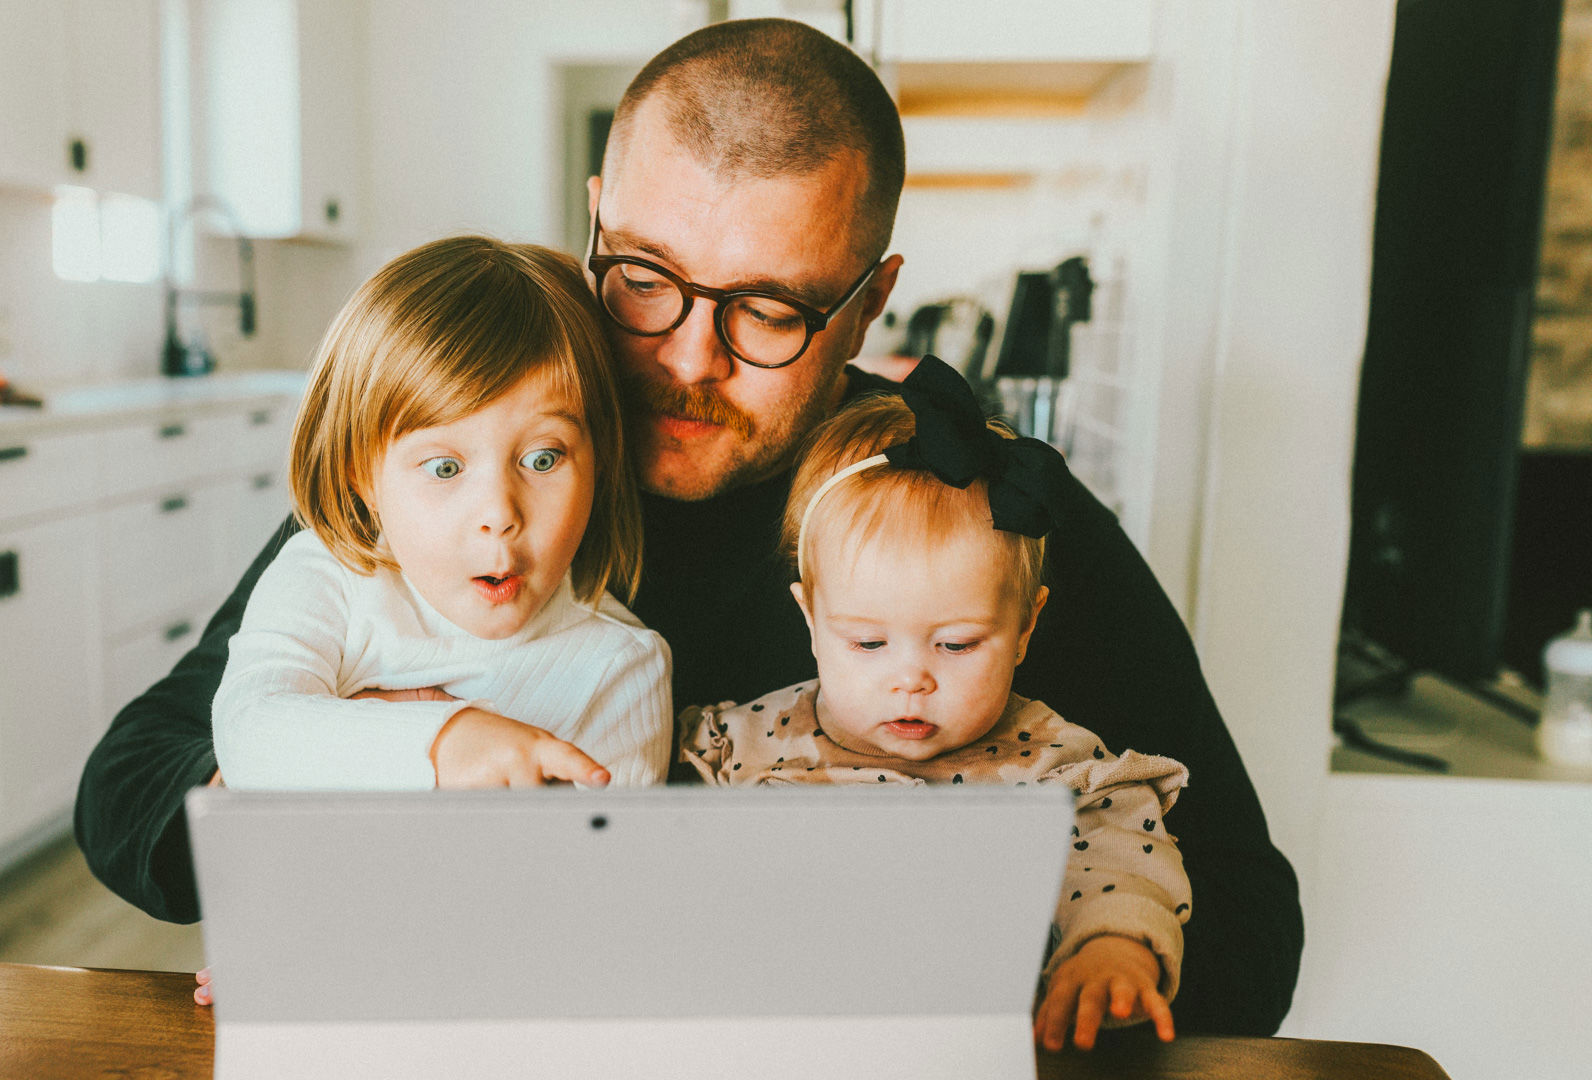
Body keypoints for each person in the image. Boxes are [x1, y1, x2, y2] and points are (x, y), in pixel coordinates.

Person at [77, 17, 1302, 1035]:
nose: (683, 362)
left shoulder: (967, 506)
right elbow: (132, 790)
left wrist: (1035, 968)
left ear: (871, 300)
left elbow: (1247, 910)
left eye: (768, 308)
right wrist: (340, 797)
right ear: (597, 217)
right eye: (645, 279)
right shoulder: (469, 481)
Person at [678, 360, 1191, 1051]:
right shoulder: (736, 745)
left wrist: (1113, 953)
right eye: (866, 641)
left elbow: (1118, 870)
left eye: (954, 645)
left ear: (1024, 629)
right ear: (809, 618)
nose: (910, 679)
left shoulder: (1058, 772)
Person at [212, 235, 670, 793]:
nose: (499, 514)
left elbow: (600, 873)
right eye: (445, 469)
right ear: (363, 477)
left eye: (542, 458)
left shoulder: (620, 669)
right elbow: (248, 733)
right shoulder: (325, 579)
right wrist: (445, 742)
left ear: (598, 461)